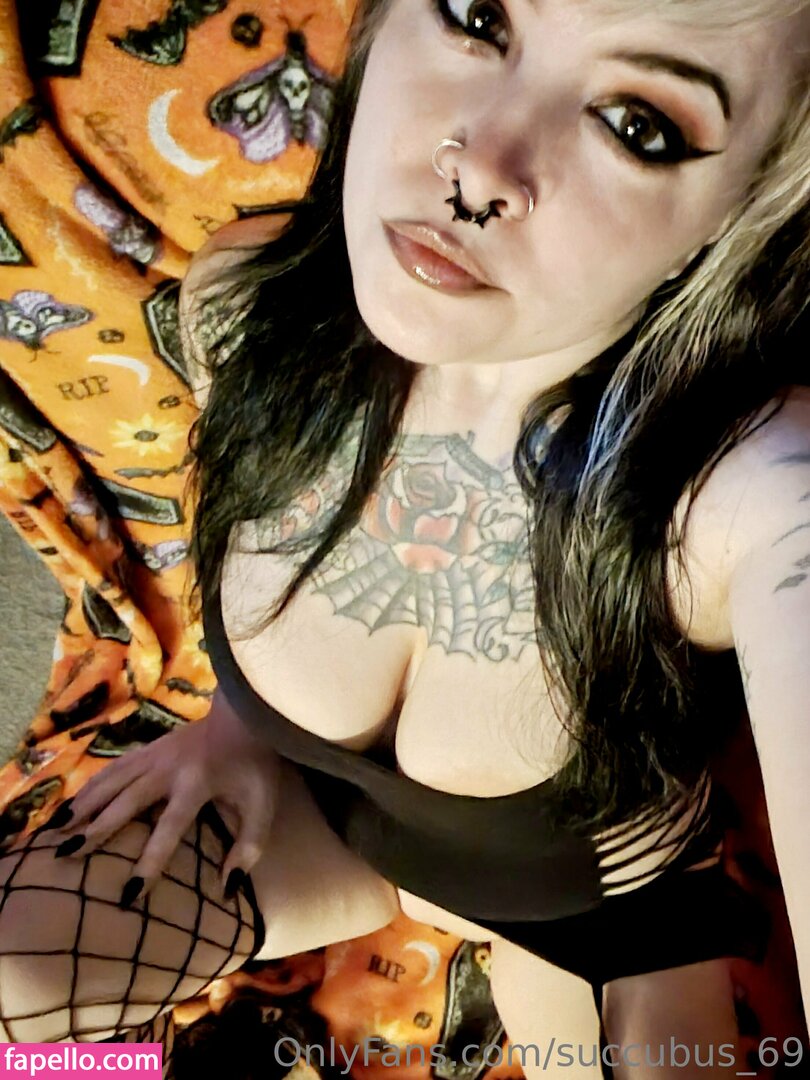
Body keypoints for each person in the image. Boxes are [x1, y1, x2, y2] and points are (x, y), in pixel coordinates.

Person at [1, 0, 809, 1074]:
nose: (477, 166)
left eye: (638, 125)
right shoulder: (243, 305)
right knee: (15, 1002)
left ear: (746, 204)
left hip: (588, 923)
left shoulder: (751, 492)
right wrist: (231, 724)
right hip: (303, 825)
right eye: (476, 15)